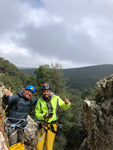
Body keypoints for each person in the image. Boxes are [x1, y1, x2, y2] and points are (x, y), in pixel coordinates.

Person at [35, 83, 71, 150]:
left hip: (52, 126)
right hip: (43, 125)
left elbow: (64, 107)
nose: (46, 93)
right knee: (38, 147)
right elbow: (37, 114)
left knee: (48, 147)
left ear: (50, 91)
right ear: (42, 92)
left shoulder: (56, 98)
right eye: (44, 91)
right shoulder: (40, 101)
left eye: (47, 91)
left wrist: (67, 103)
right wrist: (43, 116)